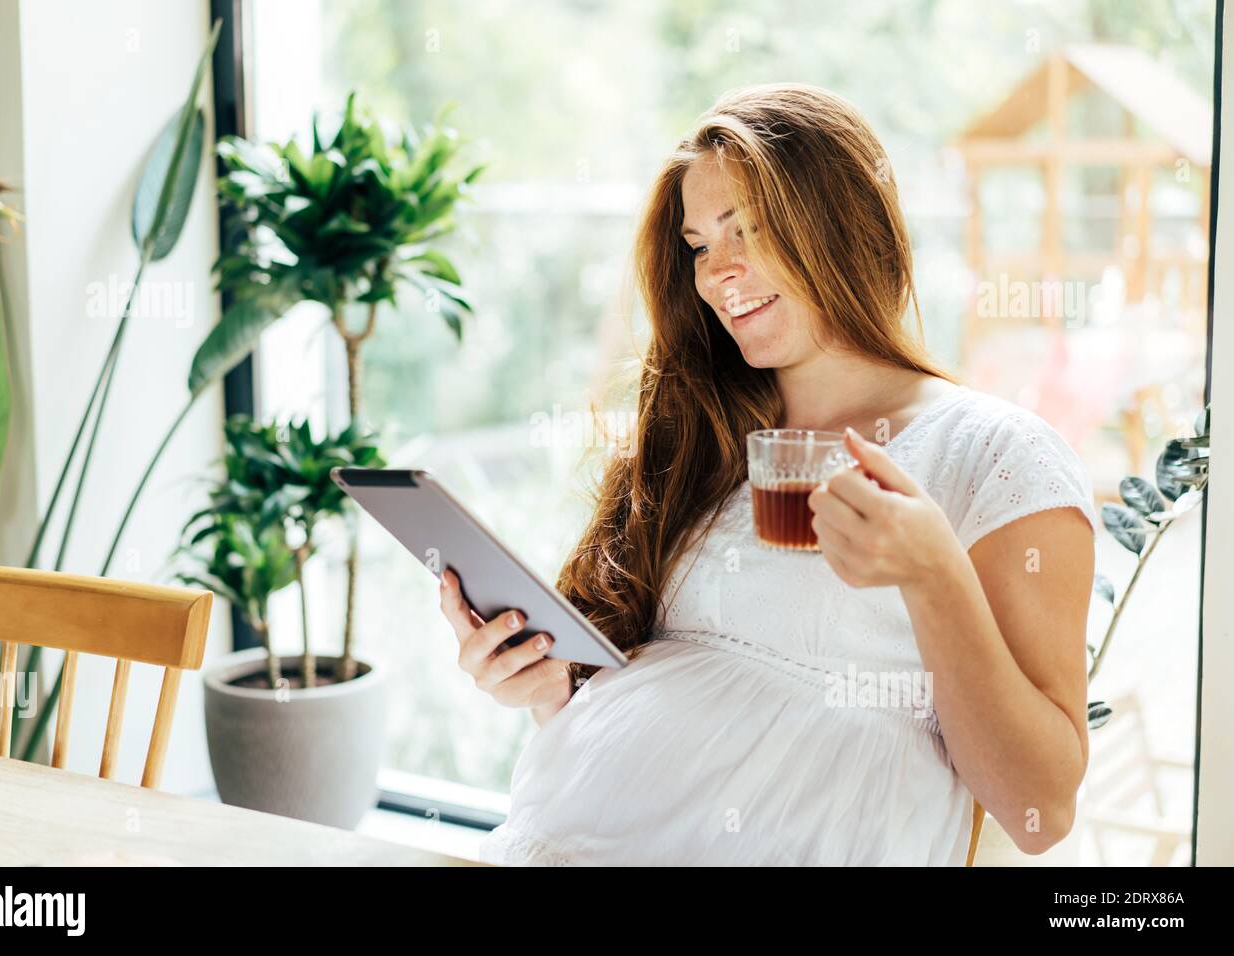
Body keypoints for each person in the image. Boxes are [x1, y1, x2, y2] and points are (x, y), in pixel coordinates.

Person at [438, 82, 1097, 865]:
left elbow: (1038, 813)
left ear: (841, 223)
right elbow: (668, 713)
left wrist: (935, 578)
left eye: (744, 228)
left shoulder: (994, 454)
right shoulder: (700, 434)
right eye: (698, 245)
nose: (717, 272)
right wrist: (548, 693)